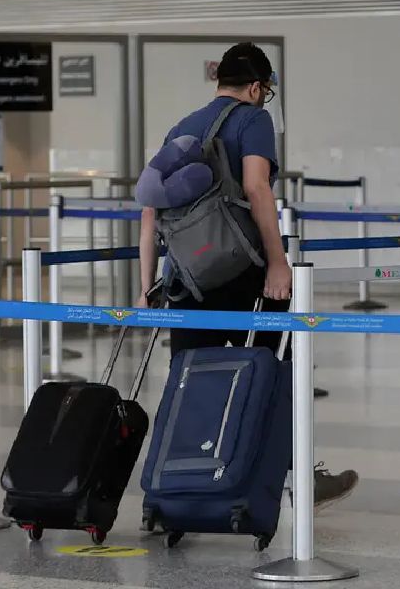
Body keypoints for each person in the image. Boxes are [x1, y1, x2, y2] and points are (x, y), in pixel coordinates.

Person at [136, 42, 358, 511]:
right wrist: (277, 262)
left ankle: (170, 492)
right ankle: (297, 478)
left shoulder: (182, 126)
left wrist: (147, 284)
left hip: (187, 278)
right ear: (257, 87)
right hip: (243, 273)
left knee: (187, 382)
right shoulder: (254, 121)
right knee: (279, 370)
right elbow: (257, 187)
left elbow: (150, 209)